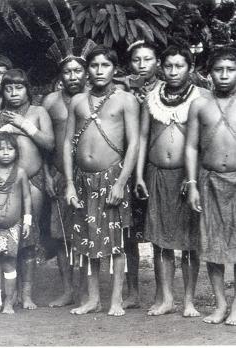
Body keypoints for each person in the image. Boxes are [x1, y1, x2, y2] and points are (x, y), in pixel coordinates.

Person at [64, 46, 139, 316]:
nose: (99, 70)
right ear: (87, 70)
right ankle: (93, 299)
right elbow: (66, 143)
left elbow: (134, 144)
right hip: (83, 181)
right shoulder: (77, 102)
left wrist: (120, 183)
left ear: (115, 69)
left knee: (116, 241)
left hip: (112, 176)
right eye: (94, 65)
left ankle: (116, 299)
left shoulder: (125, 100)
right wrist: (70, 183)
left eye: (105, 65)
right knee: (87, 241)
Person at [136, 45, 207, 317]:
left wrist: (194, 180)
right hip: (156, 175)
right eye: (168, 66)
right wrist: (140, 174)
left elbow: (205, 142)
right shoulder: (151, 98)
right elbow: (142, 137)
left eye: (180, 66)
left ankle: (188, 300)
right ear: (160, 68)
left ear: (190, 68)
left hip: (187, 178)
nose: (174, 71)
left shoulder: (201, 98)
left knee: (190, 241)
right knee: (159, 241)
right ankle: (166, 298)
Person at [0, 69, 54, 309]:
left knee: (27, 238)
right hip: (1, 185)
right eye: (8, 88)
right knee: (2, 239)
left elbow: (49, 143)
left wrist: (23, 126)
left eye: (19, 87)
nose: (14, 93)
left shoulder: (38, 112)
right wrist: (2, 131)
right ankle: (7, 295)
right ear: (2, 91)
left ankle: (26, 295)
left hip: (33, 180)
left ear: (28, 89)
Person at [42, 36, 95, 308]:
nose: (73, 76)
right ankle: (67, 290)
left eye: (78, 70)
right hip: (60, 173)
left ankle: (86, 291)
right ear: (60, 75)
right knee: (61, 234)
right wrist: (48, 174)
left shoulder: (93, 100)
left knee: (85, 232)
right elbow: (44, 143)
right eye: (67, 71)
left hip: (87, 172)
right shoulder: (50, 102)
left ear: (86, 73)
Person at [185, 47, 236, 325]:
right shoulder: (200, 104)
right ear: (209, 73)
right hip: (209, 181)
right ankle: (220, 304)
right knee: (211, 246)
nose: (225, 75)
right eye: (219, 69)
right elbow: (191, 147)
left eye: (230, 69)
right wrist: (192, 184)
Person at [123, 40, 162, 309]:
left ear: (157, 62)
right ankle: (133, 291)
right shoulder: (123, 90)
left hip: (156, 166)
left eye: (147, 59)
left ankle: (163, 293)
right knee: (129, 235)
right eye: (137, 60)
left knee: (159, 232)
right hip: (128, 165)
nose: (142, 65)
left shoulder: (166, 90)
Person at [0, 132, 32, 314]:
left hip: (13, 228)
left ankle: (9, 302)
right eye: (1, 149)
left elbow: (26, 197)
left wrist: (27, 221)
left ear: (16, 152)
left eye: (10, 149)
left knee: (10, 265)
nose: (6, 153)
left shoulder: (20, 174)